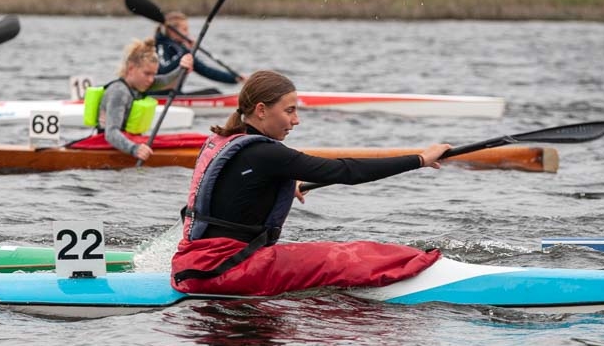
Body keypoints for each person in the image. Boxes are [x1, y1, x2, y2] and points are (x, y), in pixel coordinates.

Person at [171, 70, 452, 296]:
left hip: (193, 264)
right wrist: (420, 159)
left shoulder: (222, 141)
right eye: (289, 111)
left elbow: (228, 196)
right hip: (225, 271)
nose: (296, 120)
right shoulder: (268, 153)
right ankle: (426, 266)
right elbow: (344, 171)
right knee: (342, 257)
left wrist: (276, 187)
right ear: (261, 110)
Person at [80, 38, 193, 162]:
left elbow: (167, 80)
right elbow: (111, 133)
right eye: (147, 74)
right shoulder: (119, 92)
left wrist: (182, 68)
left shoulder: (139, 84)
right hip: (106, 144)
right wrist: (135, 149)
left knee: (190, 139)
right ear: (131, 69)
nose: (151, 80)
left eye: (153, 74)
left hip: (127, 142)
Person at [155, 11, 245, 86]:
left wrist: (235, 79)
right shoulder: (161, 47)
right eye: (184, 29)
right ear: (172, 31)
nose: (187, 33)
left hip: (175, 96)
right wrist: (185, 53)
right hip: (160, 95)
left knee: (213, 92)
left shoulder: (181, 48)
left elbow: (206, 71)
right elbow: (163, 71)